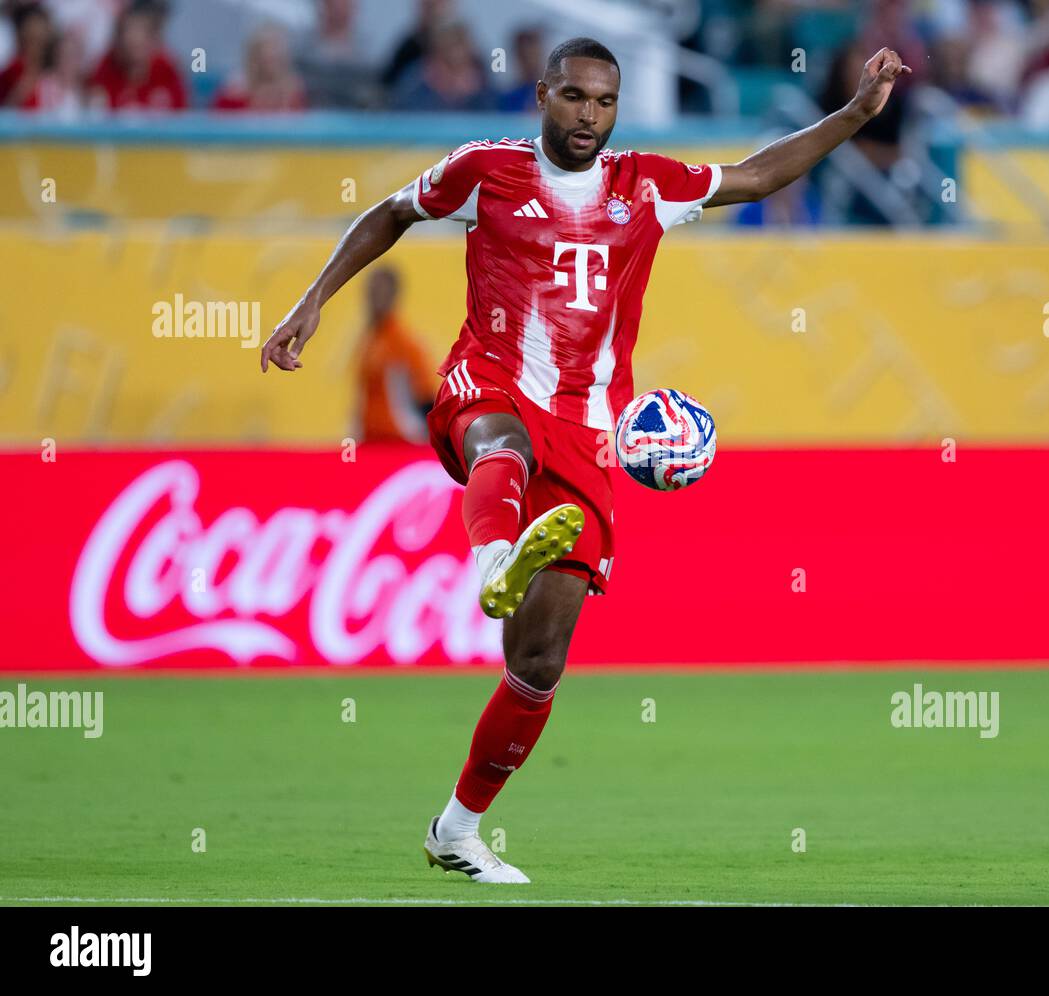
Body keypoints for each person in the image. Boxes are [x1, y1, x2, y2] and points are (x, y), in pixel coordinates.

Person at [260, 36, 908, 884]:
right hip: (488, 380)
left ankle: (456, 829)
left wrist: (856, 114)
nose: (587, 117)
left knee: (538, 660)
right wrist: (312, 300)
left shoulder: (646, 184)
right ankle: (495, 555)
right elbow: (390, 214)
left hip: (589, 431)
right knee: (503, 444)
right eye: (573, 98)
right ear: (542, 95)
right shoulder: (483, 171)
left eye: (603, 102)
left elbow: (756, 175)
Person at [354, 266, 439, 444]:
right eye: (371, 292)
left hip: (396, 441)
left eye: (380, 292)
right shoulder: (370, 339)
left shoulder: (403, 342)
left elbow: (426, 397)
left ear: (394, 295)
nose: (374, 298)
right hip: (370, 440)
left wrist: (421, 439)